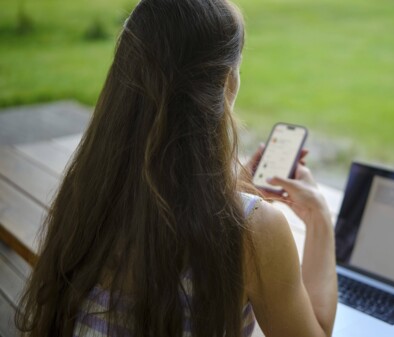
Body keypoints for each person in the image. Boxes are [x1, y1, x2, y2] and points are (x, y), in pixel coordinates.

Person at [15, 0, 338, 336]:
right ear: (228, 83)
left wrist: (229, 191)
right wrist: (319, 221)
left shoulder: (86, 193)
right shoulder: (254, 233)